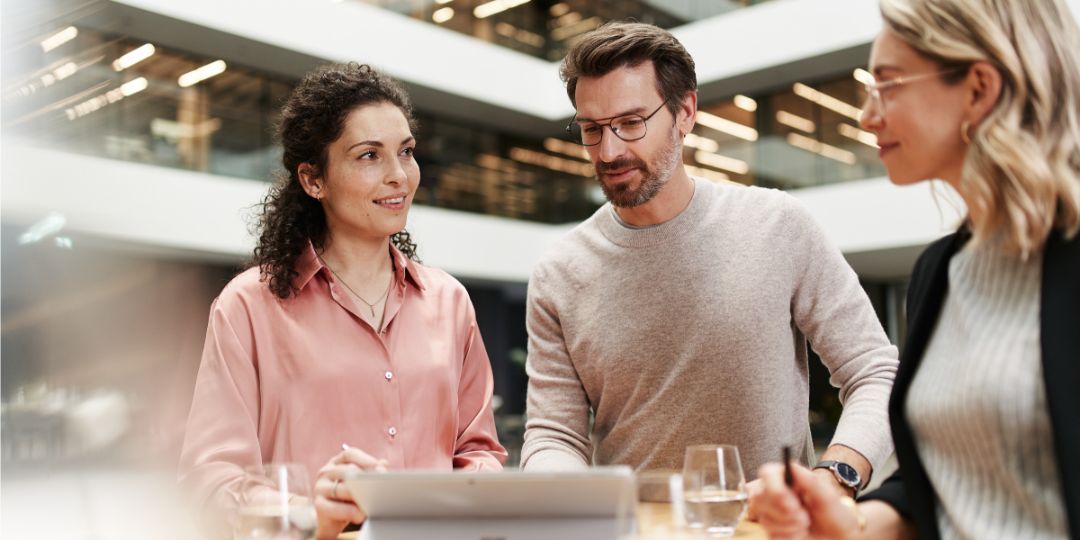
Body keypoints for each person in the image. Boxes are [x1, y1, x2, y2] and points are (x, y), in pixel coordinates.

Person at [520, 21, 899, 496]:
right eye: (592, 130)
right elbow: (554, 433)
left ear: (685, 112)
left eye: (631, 123)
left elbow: (874, 372)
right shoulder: (560, 271)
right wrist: (566, 495)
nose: (609, 150)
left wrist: (835, 478)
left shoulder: (778, 225)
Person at [752, 0, 1080, 538]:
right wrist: (845, 522)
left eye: (888, 83)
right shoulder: (940, 272)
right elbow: (935, 488)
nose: (866, 114)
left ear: (978, 88)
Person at [178, 62, 506, 539]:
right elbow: (211, 482)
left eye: (406, 152)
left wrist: (455, 502)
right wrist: (313, 513)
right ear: (313, 180)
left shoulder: (450, 302)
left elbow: (480, 454)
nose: (399, 175)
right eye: (369, 155)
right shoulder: (248, 307)